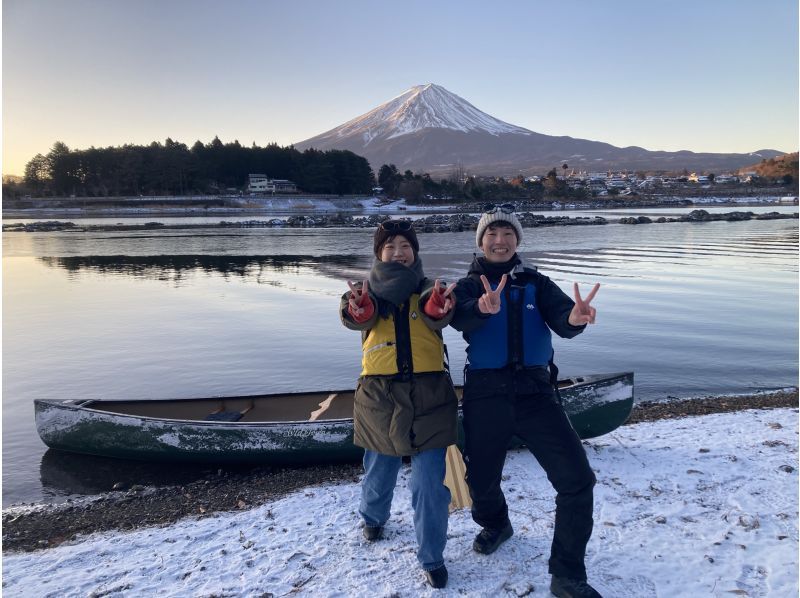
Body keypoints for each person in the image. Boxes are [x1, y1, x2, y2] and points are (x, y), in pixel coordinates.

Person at [450, 204, 602, 598]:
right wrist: (481, 309)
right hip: (486, 395)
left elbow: (563, 319)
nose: (499, 242)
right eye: (491, 235)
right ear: (480, 242)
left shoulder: (537, 282)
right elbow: (459, 317)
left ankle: (567, 574)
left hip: (536, 394)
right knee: (481, 482)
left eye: (507, 234)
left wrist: (575, 318)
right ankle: (496, 523)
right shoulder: (467, 286)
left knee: (577, 480)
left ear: (518, 240)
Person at [340, 219, 459, 589]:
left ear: (415, 252)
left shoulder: (429, 289)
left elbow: (435, 311)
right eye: (389, 246)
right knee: (379, 472)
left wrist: (441, 305)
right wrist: (356, 307)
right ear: (379, 253)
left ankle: (432, 558)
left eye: (405, 246)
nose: (398, 252)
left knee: (429, 484)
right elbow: (357, 315)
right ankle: (373, 519)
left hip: (430, 398)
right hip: (379, 398)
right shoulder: (364, 293)